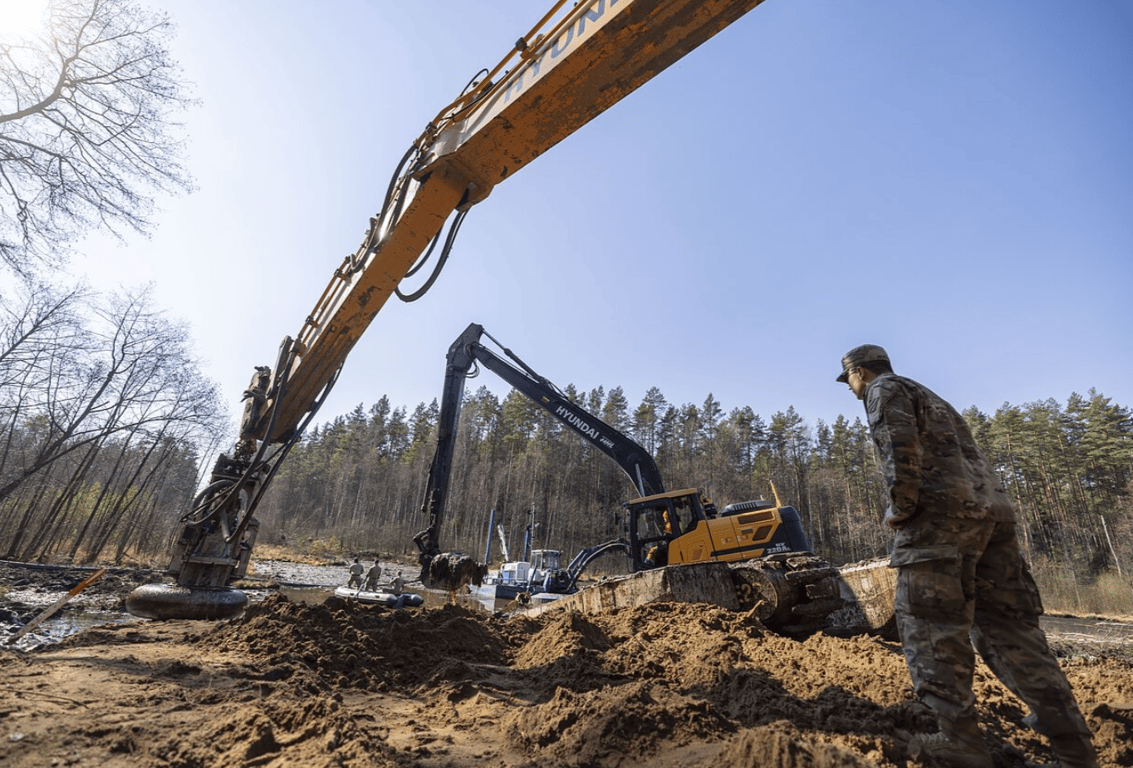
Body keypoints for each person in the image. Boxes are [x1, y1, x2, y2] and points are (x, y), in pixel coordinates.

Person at [836, 343, 1098, 768]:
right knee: (1011, 631)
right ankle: (1074, 750)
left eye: (848, 380)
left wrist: (900, 509)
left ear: (860, 372)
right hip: (993, 517)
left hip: (940, 523)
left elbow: (897, 450)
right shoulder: (934, 397)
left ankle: (959, 742)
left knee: (929, 626)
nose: (849, 388)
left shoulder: (882, 390)